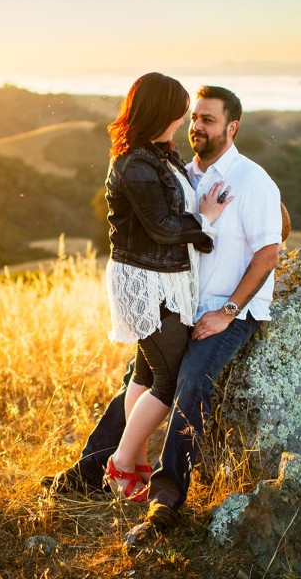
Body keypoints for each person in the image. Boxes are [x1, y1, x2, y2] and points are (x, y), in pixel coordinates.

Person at [44, 85, 282, 544]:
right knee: (140, 377)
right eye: (195, 118)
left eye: (208, 120)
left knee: (189, 382)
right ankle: (91, 472)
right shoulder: (181, 172)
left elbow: (268, 254)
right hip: (177, 304)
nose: (197, 127)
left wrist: (229, 312)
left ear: (232, 127)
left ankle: (165, 499)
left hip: (225, 310)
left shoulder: (255, 182)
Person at [100, 72, 232, 501]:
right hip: (146, 281)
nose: (183, 119)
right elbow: (160, 226)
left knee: (145, 370)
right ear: (161, 111)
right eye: (178, 110)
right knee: (170, 379)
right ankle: (120, 464)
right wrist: (206, 221)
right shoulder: (135, 163)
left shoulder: (159, 153)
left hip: (166, 278)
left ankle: (134, 458)